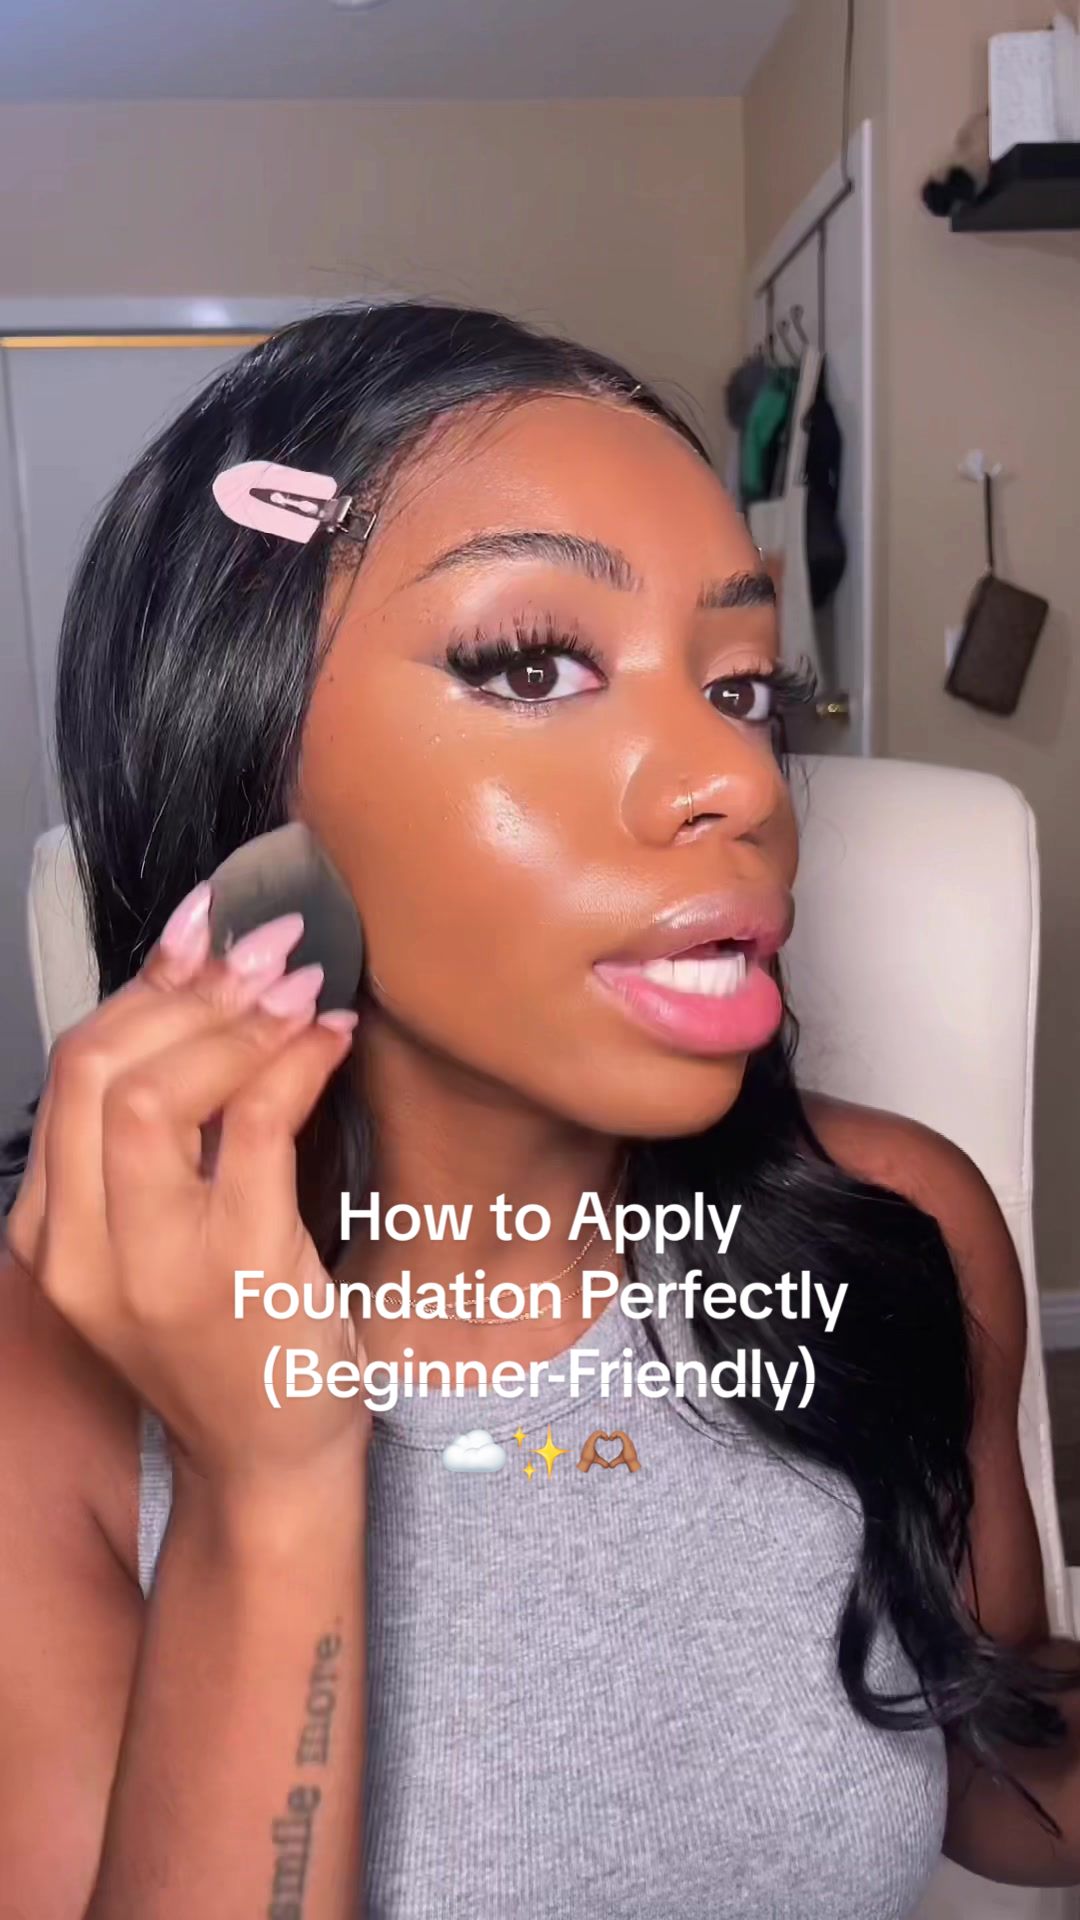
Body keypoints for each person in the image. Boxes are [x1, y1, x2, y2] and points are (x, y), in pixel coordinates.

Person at [1, 301, 1078, 1920]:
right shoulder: (45, 1376)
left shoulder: (889, 1227)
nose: (743, 786)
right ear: (241, 763)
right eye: (534, 664)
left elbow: (997, 1785)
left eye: (743, 686)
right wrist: (267, 1490)